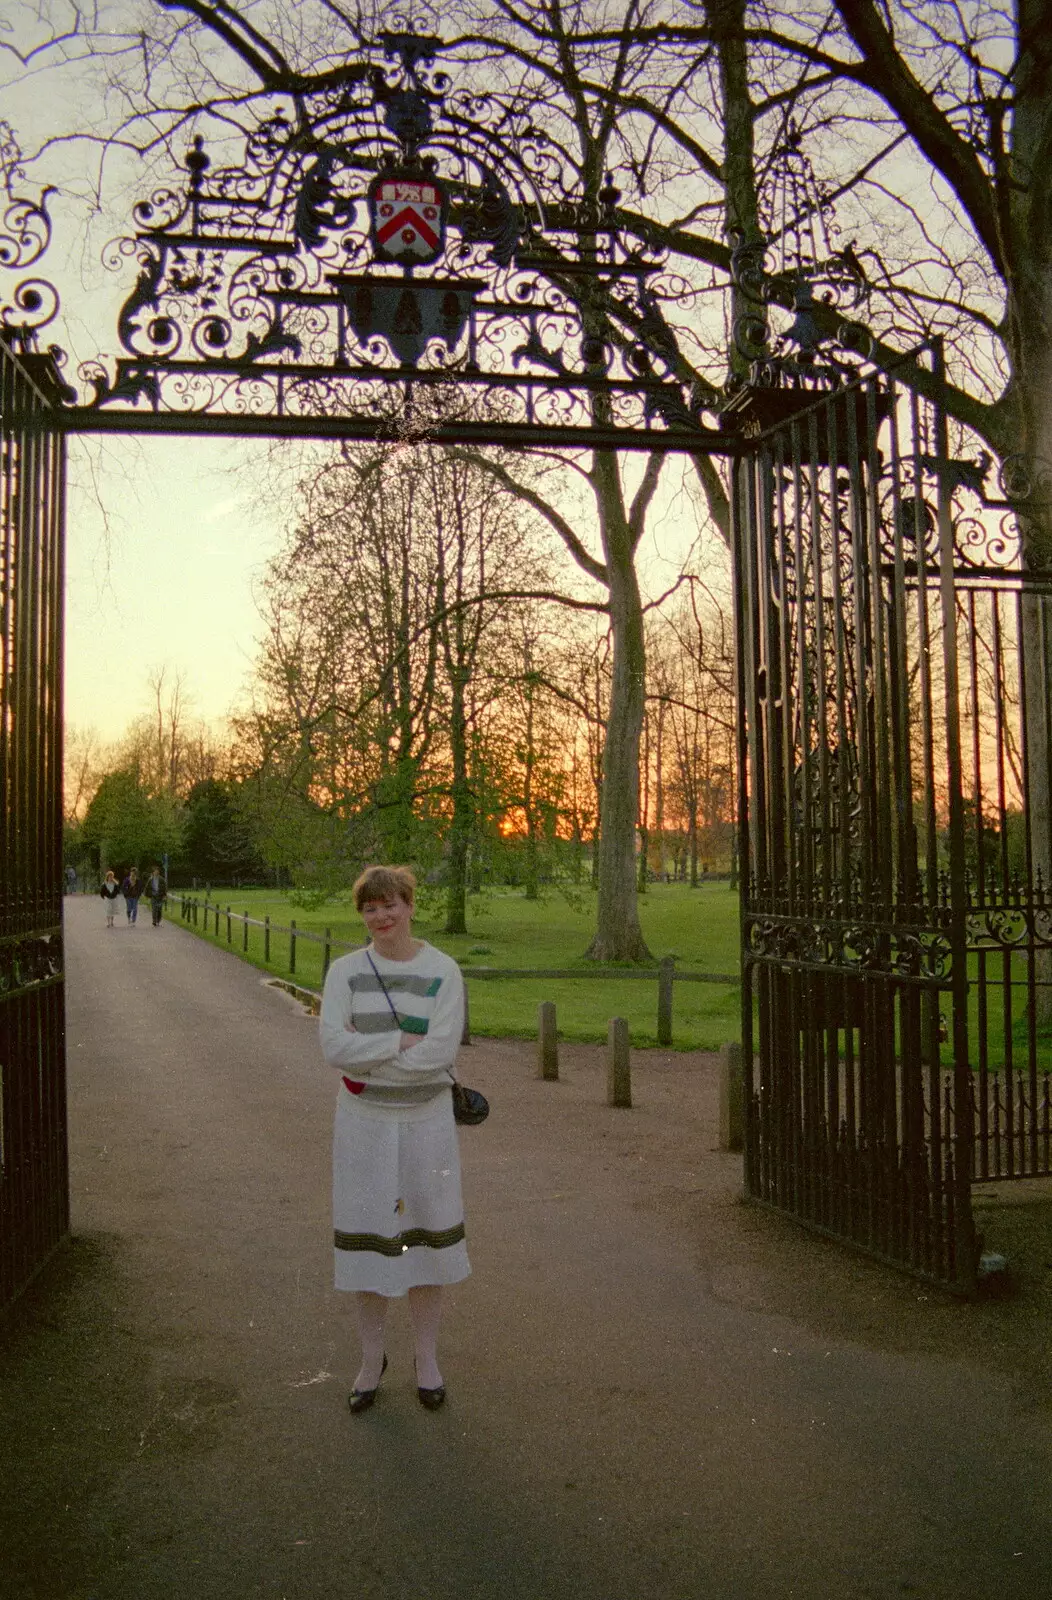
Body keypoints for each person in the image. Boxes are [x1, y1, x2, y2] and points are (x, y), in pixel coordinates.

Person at [319, 864, 469, 1415]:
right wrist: (403, 1038)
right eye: (369, 908)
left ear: (409, 905)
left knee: (425, 1243)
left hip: (427, 1127)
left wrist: (375, 1051)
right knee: (371, 1241)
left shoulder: (443, 971)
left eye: (390, 905)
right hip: (363, 1127)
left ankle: (426, 1360)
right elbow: (334, 1047)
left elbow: (440, 1053)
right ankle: (370, 1359)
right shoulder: (344, 972)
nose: (381, 916)